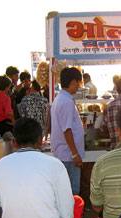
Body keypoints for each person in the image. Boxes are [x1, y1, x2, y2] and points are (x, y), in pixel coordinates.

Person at [51, 67, 84, 197]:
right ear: (73, 82)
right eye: (78, 83)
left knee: (68, 190)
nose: (78, 86)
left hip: (65, 152)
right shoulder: (66, 102)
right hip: (68, 155)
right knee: (72, 191)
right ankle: (72, 216)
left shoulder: (62, 98)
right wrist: (75, 154)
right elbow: (67, 130)